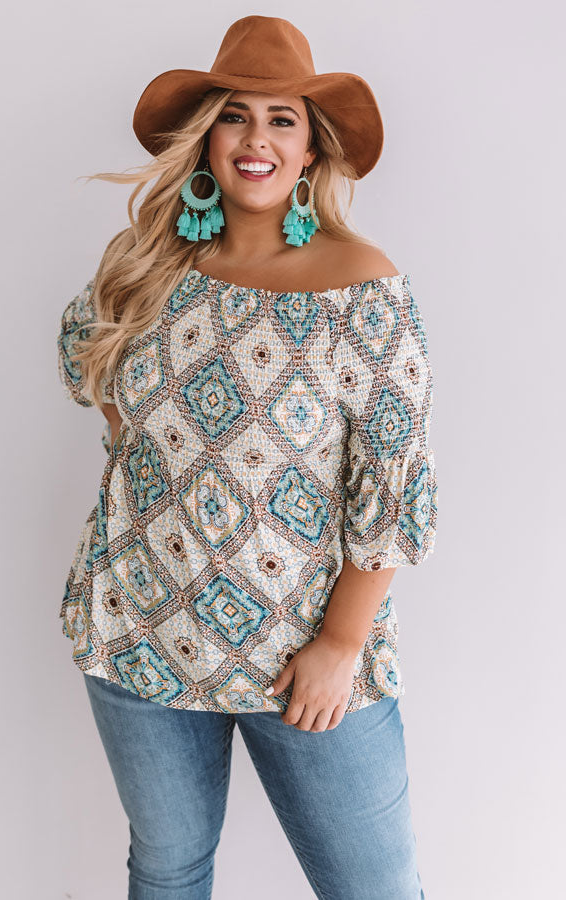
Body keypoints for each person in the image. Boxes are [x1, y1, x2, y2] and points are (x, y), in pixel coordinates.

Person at [57, 15, 437, 900]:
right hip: (140, 631)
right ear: (206, 140)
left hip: (302, 655)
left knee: (374, 889)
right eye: (234, 116)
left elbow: (393, 488)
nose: (256, 139)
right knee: (168, 872)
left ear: (311, 150)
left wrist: (341, 643)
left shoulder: (361, 285)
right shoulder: (148, 262)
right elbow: (83, 352)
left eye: (281, 120)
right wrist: (153, 452)